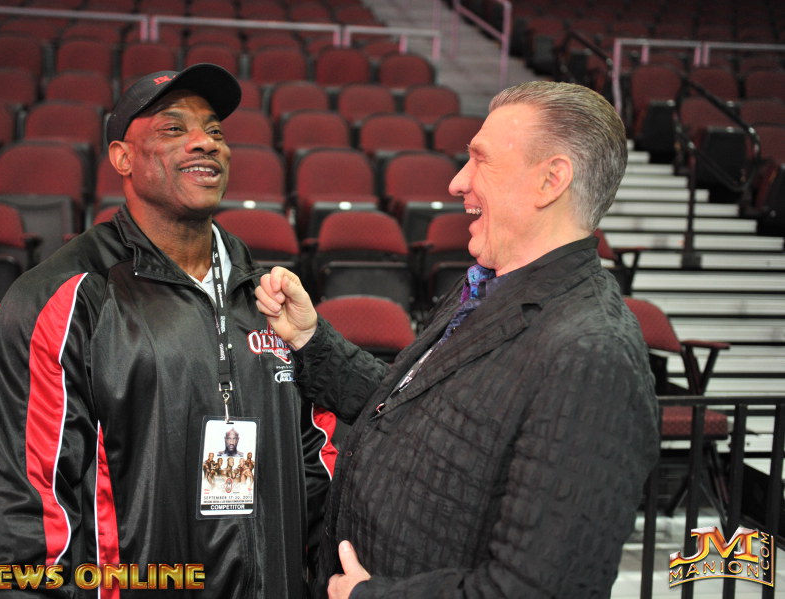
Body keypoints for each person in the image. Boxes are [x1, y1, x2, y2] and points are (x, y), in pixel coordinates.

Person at [255, 81, 660, 598]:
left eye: (480, 159)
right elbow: (408, 410)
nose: (456, 182)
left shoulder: (593, 355)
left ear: (550, 180)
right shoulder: (487, 286)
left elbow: (537, 590)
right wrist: (310, 338)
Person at [0, 64, 330, 598]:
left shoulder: (271, 297)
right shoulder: (62, 298)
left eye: (215, 130)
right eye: (173, 128)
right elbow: (21, 507)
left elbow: (316, 458)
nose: (205, 142)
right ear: (122, 158)